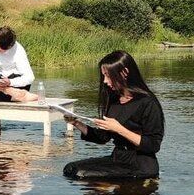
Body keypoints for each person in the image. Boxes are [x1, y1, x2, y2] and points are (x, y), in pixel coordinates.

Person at [63, 50, 164, 179]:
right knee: (70, 169)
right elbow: (103, 137)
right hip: (117, 158)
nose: (105, 81)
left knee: (81, 175)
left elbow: (153, 145)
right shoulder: (114, 100)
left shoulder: (148, 103)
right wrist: (76, 123)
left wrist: (119, 129)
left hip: (141, 165)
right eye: (103, 75)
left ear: (125, 73)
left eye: (108, 75)